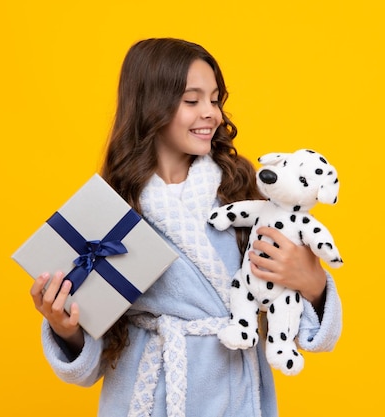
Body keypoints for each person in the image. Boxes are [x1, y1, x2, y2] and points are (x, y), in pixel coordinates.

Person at [30, 38, 342, 417]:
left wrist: (314, 284)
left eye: (215, 99)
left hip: (234, 392)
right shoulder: (113, 210)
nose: (210, 112)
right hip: (145, 394)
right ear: (150, 106)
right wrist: (66, 327)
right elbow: (91, 363)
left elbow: (295, 319)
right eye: (192, 101)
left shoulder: (242, 189)